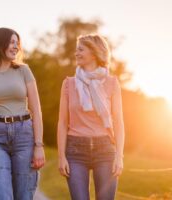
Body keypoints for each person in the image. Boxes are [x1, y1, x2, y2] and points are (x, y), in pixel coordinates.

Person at [0, 27, 45, 200]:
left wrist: (39, 145)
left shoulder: (24, 70)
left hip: (24, 135)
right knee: (1, 194)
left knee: (23, 195)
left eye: (17, 43)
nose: (15, 47)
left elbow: (36, 109)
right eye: (11, 42)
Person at [57, 34, 125, 200]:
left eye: (81, 49)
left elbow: (118, 122)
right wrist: (61, 157)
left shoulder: (112, 83)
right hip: (75, 151)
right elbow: (63, 122)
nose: (76, 53)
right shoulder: (69, 84)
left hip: (105, 149)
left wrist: (119, 156)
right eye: (76, 49)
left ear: (94, 53)